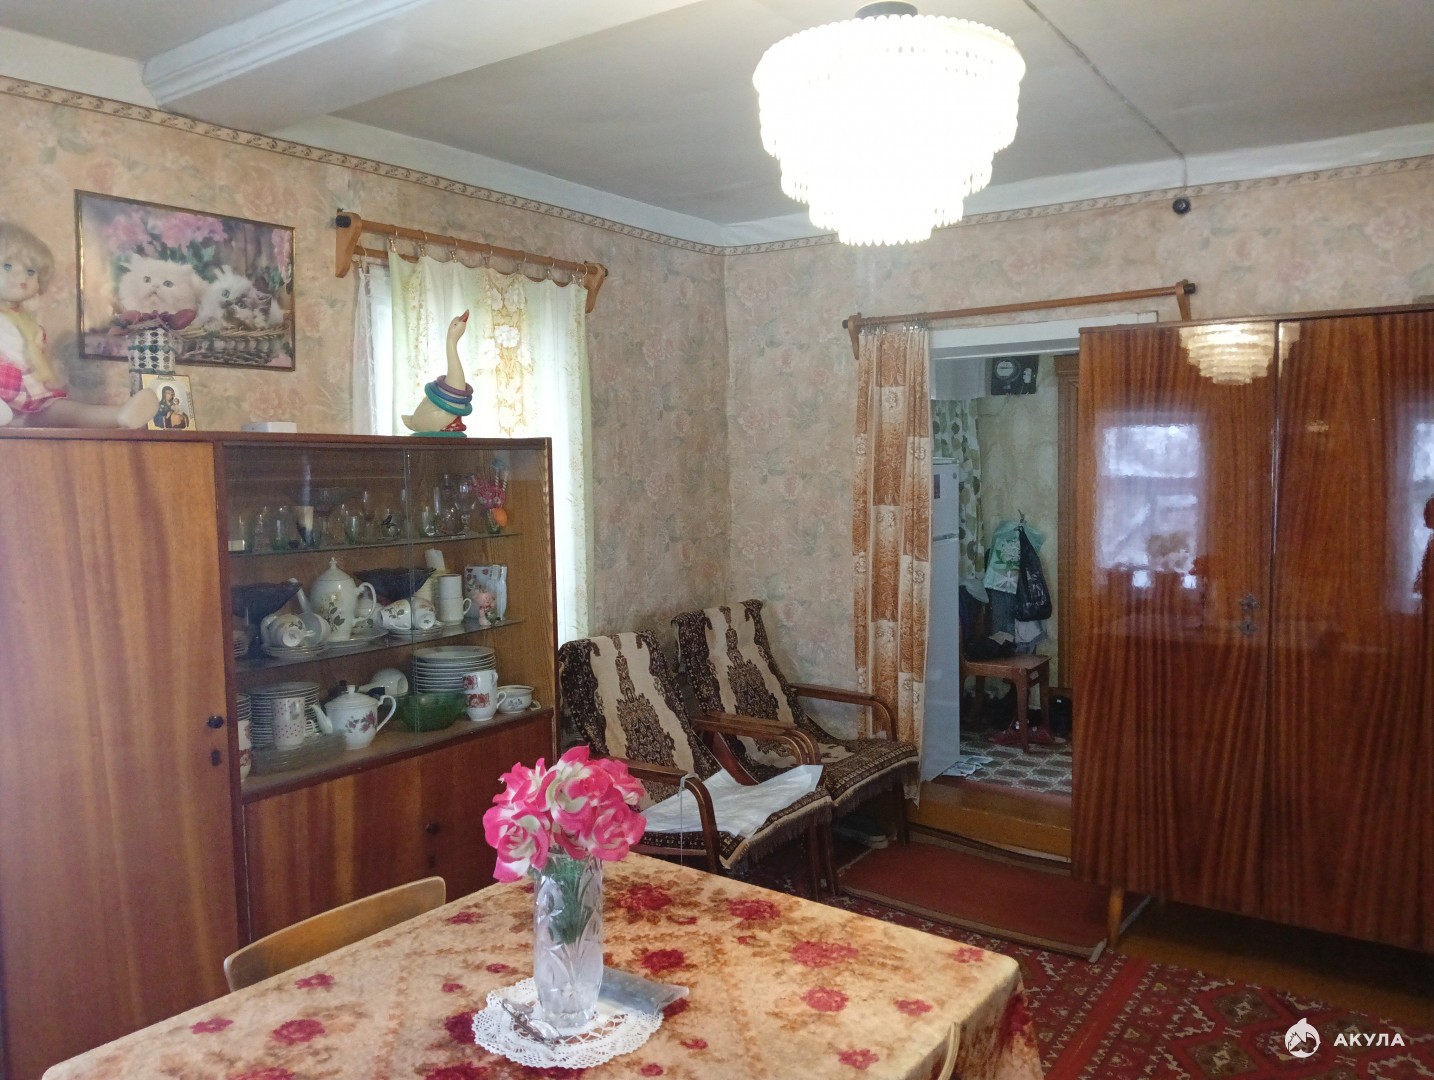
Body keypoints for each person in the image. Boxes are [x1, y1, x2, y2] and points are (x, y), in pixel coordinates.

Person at [0, 221, 157, 428]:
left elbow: (35, 357)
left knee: (60, 409)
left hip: (27, 393)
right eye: (8, 266)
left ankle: (120, 415)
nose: (22, 277)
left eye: (31, 271)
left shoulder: (30, 325)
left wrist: (49, 376)